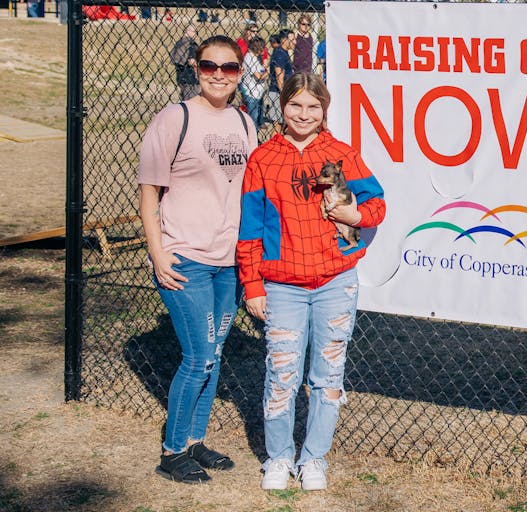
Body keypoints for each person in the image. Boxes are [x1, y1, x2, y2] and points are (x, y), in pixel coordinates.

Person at [238, 73, 386, 491]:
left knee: (328, 375)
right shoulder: (263, 158)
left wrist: (352, 217)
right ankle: (279, 458)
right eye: (295, 106)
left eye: (313, 107)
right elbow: (250, 228)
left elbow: (377, 203)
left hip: (335, 282)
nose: (303, 115)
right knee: (282, 374)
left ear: (325, 110)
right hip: (282, 284)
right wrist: (252, 284)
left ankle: (314, 458)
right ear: (283, 106)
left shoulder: (341, 154)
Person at [139, 35, 257, 484]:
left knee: (216, 352)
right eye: (210, 65)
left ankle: (194, 441)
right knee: (198, 356)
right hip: (185, 257)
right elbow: (149, 193)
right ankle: (172, 452)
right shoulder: (175, 119)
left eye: (229, 68)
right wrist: (157, 252)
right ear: (195, 66)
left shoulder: (245, 123)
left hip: (227, 262)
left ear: (240, 72)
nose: (219, 75)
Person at [266, 29, 295, 131]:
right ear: (284, 40)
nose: (294, 42)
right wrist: (284, 95)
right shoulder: (280, 53)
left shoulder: (283, 52)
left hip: (281, 92)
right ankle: (274, 146)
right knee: (278, 125)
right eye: (292, 40)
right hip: (278, 92)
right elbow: (279, 76)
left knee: (281, 124)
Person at [242, 37, 269, 127]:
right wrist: (268, 72)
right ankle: (253, 139)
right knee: (253, 120)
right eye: (263, 47)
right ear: (258, 48)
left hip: (256, 93)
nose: (264, 49)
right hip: (252, 94)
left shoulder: (254, 58)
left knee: (255, 118)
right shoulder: (250, 58)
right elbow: (258, 77)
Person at [170, 25, 200, 101]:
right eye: (195, 32)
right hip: (191, 78)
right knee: (192, 102)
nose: (196, 34)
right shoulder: (191, 44)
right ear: (188, 31)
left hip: (180, 77)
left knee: (184, 101)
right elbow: (192, 61)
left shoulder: (179, 43)